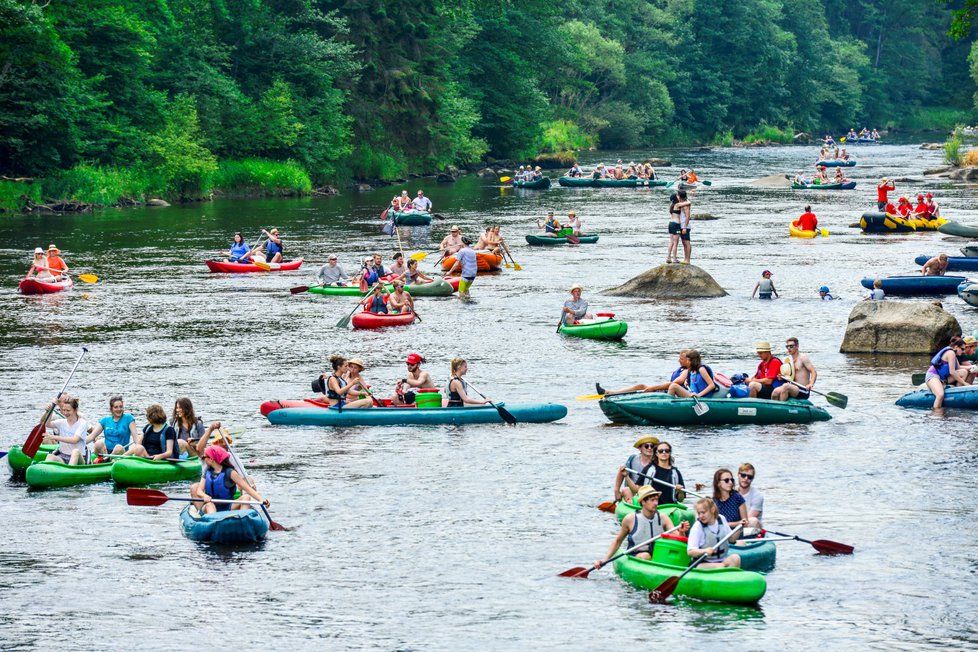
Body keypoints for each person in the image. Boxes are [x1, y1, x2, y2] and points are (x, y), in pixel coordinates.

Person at [596, 486, 677, 568]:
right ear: (643, 502)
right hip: (637, 556)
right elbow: (618, 541)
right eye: (652, 500)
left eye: (656, 500)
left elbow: (677, 536)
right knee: (646, 556)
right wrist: (605, 560)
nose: (656, 503)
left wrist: (682, 531)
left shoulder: (664, 517)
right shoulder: (630, 519)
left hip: (658, 554)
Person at [192, 445, 269, 515]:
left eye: (204, 457)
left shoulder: (230, 472)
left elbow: (248, 489)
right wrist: (204, 496)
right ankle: (214, 522)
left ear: (211, 459)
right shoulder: (207, 471)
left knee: (246, 497)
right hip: (210, 505)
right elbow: (199, 491)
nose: (203, 459)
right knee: (209, 505)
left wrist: (261, 499)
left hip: (228, 506)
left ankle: (243, 519)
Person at [597, 350, 690, 396]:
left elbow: (674, 383)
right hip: (668, 390)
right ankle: (610, 392)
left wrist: (653, 388)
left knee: (643, 388)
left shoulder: (686, 371)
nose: (678, 361)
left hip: (674, 394)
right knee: (641, 386)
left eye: (681, 359)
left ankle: (611, 393)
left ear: (688, 360)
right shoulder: (682, 369)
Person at [687, 497, 742, 569]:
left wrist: (740, 528)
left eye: (703, 512)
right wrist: (705, 551)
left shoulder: (721, 519)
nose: (700, 516)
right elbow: (690, 552)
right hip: (703, 563)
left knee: (736, 558)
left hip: (722, 560)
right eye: (699, 513)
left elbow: (731, 539)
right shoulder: (697, 526)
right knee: (721, 566)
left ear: (712, 510)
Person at [925, 335, 972, 409]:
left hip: (943, 378)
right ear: (956, 347)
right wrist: (964, 383)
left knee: (964, 372)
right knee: (940, 395)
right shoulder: (951, 353)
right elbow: (952, 372)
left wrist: (972, 368)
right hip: (933, 376)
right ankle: (935, 415)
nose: (963, 351)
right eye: (962, 349)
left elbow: (959, 368)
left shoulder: (954, 354)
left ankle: (957, 394)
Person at [43, 396, 89, 465]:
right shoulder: (62, 422)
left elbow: (74, 440)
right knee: (50, 457)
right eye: (64, 410)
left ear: (75, 410)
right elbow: (47, 424)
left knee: (75, 452)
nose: (65, 413)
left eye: (68, 410)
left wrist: (53, 437)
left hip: (79, 458)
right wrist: (50, 410)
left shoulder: (82, 423)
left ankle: (69, 472)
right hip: (63, 456)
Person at [640, 440, 687, 505]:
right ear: (656, 454)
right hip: (652, 506)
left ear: (670, 453)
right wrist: (627, 477)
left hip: (670, 506)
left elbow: (681, 499)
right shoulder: (649, 469)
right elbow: (637, 489)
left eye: (667, 451)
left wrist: (680, 492)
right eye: (661, 451)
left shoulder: (675, 472)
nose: (664, 453)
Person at [614, 435, 659, 503]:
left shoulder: (658, 462)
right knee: (626, 490)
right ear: (640, 448)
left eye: (652, 446)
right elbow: (621, 471)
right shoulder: (633, 459)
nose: (649, 448)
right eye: (646, 446)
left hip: (651, 491)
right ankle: (631, 504)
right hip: (634, 490)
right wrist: (616, 490)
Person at [772, 336, 816, 401]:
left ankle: (783, 408)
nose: (789, 348)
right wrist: (783, 377)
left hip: (803, 389)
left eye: (791, 346)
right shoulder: (789, 360)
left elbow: (813, 372)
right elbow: (790, 377)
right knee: (775, 392)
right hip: (793, 387)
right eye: (787, 346)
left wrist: (811, 384)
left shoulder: (803, 358)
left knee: (785, 386)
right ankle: (775, 410)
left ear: (797, 346)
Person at [736, 463, 764, 529]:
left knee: (753, 521)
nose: (746, 478)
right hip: (734, 525)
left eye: (749, 477)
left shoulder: (758, 496)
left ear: (752, 479)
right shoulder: (731, 491)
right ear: (738, 475)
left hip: (750, 527)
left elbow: (746, 521)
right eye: (743, 475)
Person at [666, 191, 691, 264]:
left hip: (670, 224)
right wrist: (688, 199)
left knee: (671, 241)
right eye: (676, 196)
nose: (678, 196)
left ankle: (668, 257)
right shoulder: (677, 204)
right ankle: (674, 259)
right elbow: (688, 203)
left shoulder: (672, 205)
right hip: (676, 225)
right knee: (675, 243)